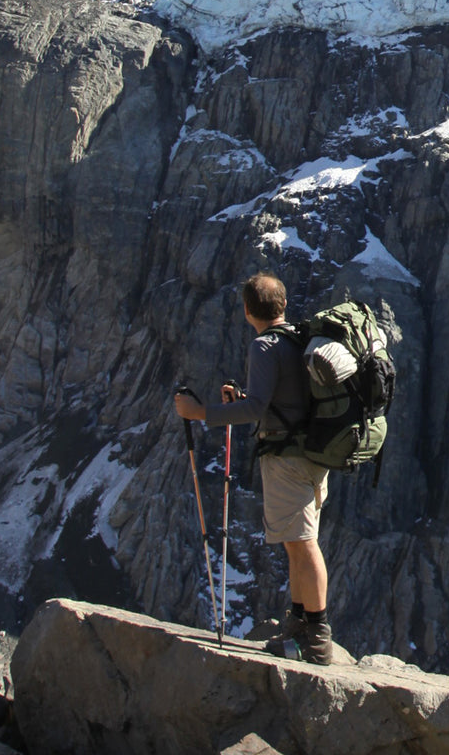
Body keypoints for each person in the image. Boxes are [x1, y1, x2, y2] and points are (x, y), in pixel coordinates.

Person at [174, 271, 333, 664]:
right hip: (313, 456)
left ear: (248, 311)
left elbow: (255, 410)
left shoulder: (264, 347)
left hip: (287, 460)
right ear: (282, 304)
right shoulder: (299, 338)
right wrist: (245, 397)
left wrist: (201, 413)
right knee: (298, 543)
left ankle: (318, 640)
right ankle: (299, 623)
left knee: (302, 543)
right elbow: (283, 399)